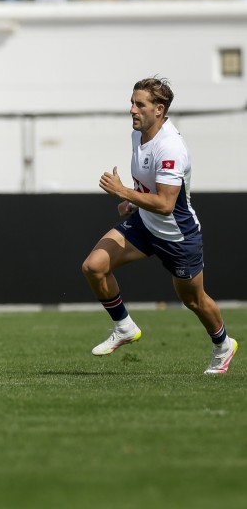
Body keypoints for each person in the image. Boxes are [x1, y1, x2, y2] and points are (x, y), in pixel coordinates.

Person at [81, 77, 237, 374]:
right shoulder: (138, 134)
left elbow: (166, 204)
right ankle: (124, 327)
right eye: (132, 102)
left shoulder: (171, 146)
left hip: (177, 235)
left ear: (159, 110)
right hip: (144, 224)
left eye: (140, 104)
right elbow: (149, 188)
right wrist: (133, 202)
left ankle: (222, 344)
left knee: (194, 300)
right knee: (94, 266)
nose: (132, 110)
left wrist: (123, 192)